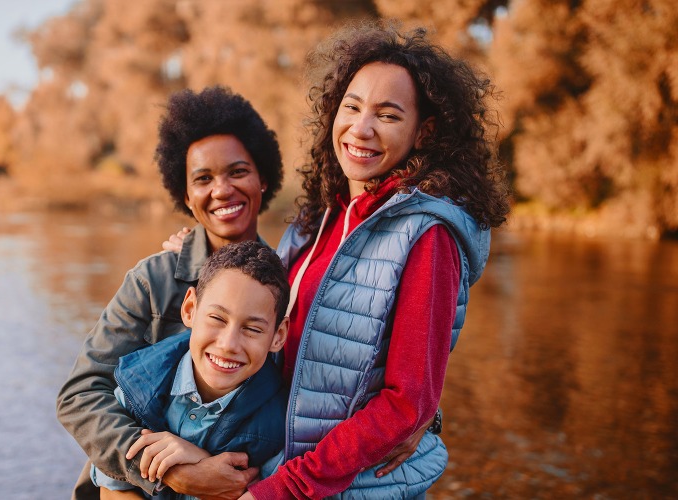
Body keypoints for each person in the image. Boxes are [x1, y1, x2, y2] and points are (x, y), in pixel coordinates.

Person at [231, 21, 510, 499]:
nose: (361, 128)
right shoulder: (320, 217)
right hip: (282, 464)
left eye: (388, 115)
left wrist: (284, 490)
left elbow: (406, 402)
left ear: (424, 132)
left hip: (349, 486)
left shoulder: (428, 235)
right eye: (352, 107)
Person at [56, 86, 284, 500]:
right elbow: (81, 394)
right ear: (186, 196)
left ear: (263, 179)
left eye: (237, 171)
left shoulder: (287, 286)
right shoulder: (152, 281)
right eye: (203, 179)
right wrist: (173, 470)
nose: (222, 190)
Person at [104, 241, 291, 499]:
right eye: (217, 319)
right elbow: (111, 488)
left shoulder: (278, 428)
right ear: (190, 309)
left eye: (253, 329)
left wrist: (199, 459)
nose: (228, 345)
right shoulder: (139, 384)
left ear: (278, 336)